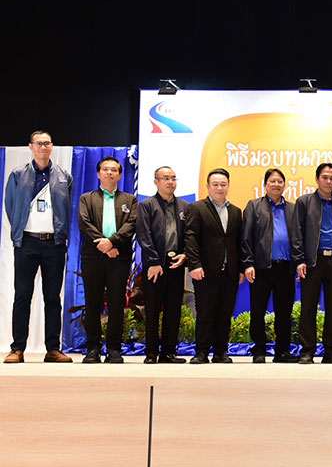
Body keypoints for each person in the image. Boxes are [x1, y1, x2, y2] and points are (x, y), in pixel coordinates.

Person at [3, 131, 74, 363]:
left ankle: (53, 349)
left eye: (47, 143)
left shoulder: (64, 176)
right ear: (31, 146)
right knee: (22, 296)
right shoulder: (18, 174)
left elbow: (67, 208)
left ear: (52, 147)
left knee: (52, 298)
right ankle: (17, 349)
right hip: (27, 243)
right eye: (39, 143)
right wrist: (19, 230)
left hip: (54, 244)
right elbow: (10, 205)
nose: (43, 147)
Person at [78, 156, 138, 364]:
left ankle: (114, 348)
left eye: (114, 170)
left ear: (120, 175)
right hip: (93, 257)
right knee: (92, 303)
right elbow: (84, 224)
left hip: (119, 257)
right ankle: (93, 348)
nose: (110, 173)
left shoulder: (130, 200)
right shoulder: (87, 198)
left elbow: (131, 225)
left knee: (116, 303)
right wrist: (104, 246)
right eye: (105, 169)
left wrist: (112, 243)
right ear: (98, 174)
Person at [291, 162, 332, 364]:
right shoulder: (304, 202)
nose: (328, 181)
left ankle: (331, 352)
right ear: (317, 179)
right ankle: (307, 351)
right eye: (325, 177)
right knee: (308, 307)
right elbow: (297, 233)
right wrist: (299, 260)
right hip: (311, 261)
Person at [185, 168, 243, 364]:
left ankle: (220, 352)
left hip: (230, 272)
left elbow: (238, 242)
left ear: (228, 186)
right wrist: (194, 264)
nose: (219, 188)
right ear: (208, 186)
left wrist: (241, 268)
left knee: (225, 314)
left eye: (223, 184)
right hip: (205, 271)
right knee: (205, 313)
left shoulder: (235, 211)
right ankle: (201, 352)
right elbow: (190, 238)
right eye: (215, 184)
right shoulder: (197, 208)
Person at [241, 168, 298, 364]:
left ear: (284, 185)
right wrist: (248, 263)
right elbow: (246, 237)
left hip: (286, 268)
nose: (276, 184)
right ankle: (259, 350)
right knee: (258, 312)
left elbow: (298, 239)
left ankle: (282, 352)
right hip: (261, 268)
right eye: (272, 181)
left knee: (284, 313)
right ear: (265, 185)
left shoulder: (293, 209)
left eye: (279, 181)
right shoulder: (254, 206)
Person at [137, 166, 189, 364]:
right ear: (156, 182)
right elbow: (144, 235)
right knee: (152, 309)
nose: (170, 182)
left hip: (176, 264)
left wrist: (185, 255)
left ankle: (168, 352)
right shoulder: (147, 205)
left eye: (173, 178)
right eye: (165, 178)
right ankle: (151, 353)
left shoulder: (184, 206)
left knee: (174, 310)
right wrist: (153, 261)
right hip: (155, 266)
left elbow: (190, 235)